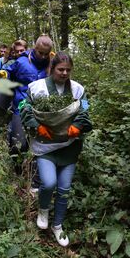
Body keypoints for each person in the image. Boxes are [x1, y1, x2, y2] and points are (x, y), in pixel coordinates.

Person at [20, 52, 92, 247]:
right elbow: (23, 106)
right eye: (61, 69)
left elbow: (86, 107)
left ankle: (58, 225)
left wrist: (78, 124)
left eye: (68, 70)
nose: (64, 73)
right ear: (52, 68)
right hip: (45, 145)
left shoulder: (78, 89)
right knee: (49, 183)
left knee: (64, 189)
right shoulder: (38, 88)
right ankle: (43, 210)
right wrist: (36, 125)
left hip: (69, 146)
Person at [0, 35, 53, 173]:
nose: (43, 56)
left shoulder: (51, 63)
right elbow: (8, 73)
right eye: (40, 52)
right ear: (35, 48)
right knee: (19, 143)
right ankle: (17, 170)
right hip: (21, 107)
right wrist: (4, 74)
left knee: (39, 145)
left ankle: (34, 174)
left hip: (42, 110)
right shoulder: (22, 61)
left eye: (46, 53)